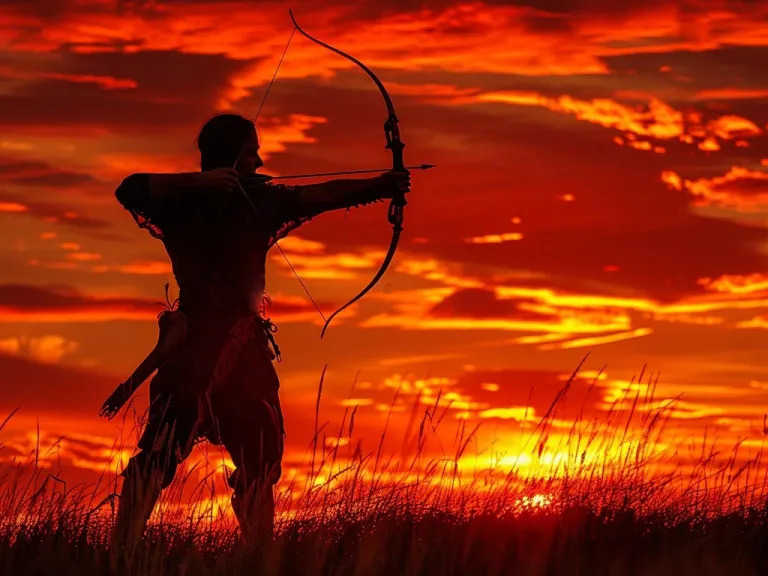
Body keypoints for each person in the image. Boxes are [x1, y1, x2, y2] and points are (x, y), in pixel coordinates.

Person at [109, 112, 410, 551]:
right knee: (158, 454)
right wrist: (203, 182)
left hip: (240, 350)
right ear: (232, 158)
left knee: (259, 458)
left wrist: (382, 184)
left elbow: (321, 194)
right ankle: (119, 555)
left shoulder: (256, 201)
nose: (259, 161)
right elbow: (128, 188)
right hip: (193, 350)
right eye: (251, 153)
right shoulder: (183, 204)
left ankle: (257, 558)